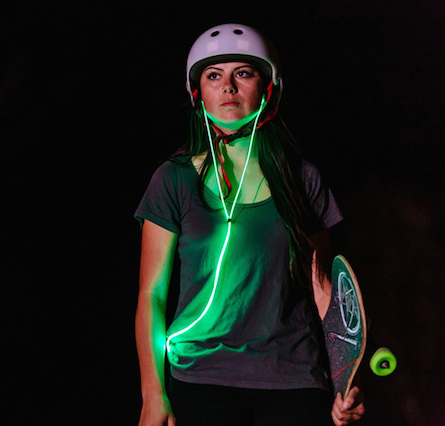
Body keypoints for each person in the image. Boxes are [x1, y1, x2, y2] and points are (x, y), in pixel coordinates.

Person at [134, 23, 365, 426]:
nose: (228, 86)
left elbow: (324, 292)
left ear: (269, 87)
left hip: (294, 380)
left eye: (243, 73)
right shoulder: (173, 180)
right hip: (201, 379)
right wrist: (153, 396)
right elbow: (151, 296)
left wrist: (345, 385)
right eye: (213, 76)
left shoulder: (302, 179)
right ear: (197, 92)